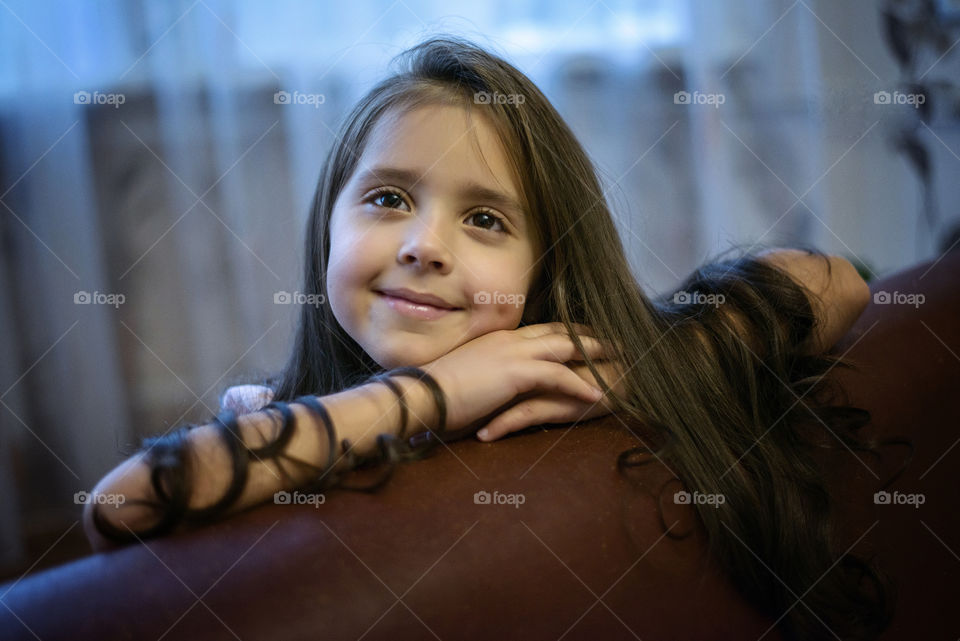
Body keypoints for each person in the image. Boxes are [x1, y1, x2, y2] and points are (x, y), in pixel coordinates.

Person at [83, 35, 905, 641]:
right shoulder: (282, 418)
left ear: (545, 268)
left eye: (484, 218)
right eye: (388, 199)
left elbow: (836, 279)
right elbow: (121, 505)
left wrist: (659, 367)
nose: (423, 245)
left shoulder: (576, 366)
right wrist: (430, 393)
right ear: (327, 226)